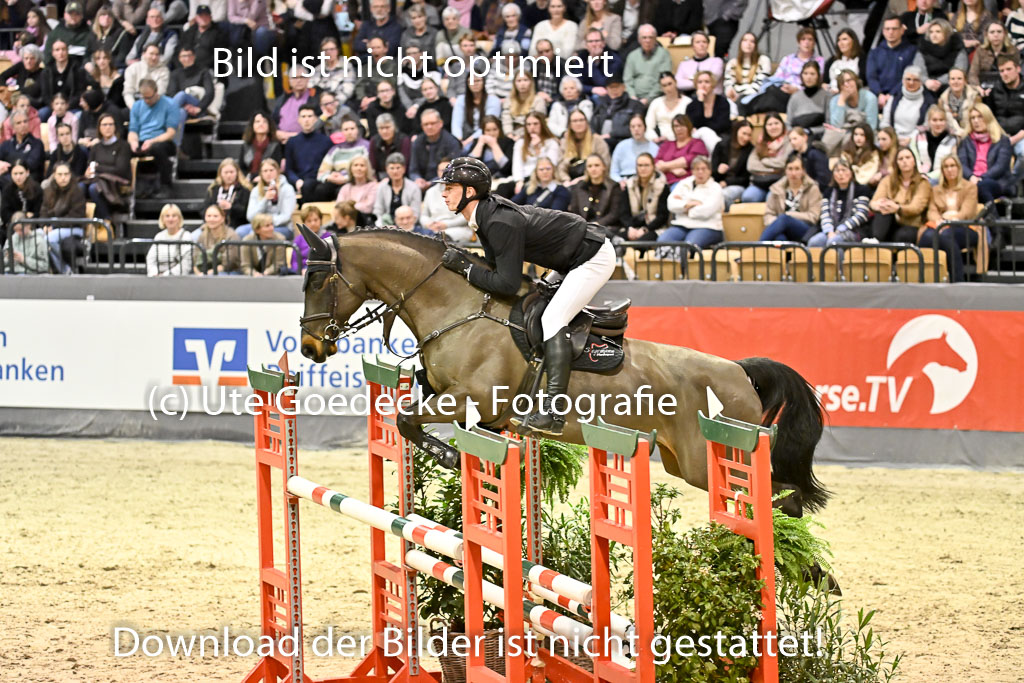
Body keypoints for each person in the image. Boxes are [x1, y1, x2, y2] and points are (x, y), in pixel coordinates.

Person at [436, 157, 616, 438]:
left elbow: (506, 284)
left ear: (469, 192)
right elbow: (496, 269)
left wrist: (466, 268)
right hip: (568, 258)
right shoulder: (482, 215)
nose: (443, 193)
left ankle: (554, 412)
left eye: (450, 187)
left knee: (553, 318)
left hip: (592, 257)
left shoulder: (497, 220)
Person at [926, 154, 986, 281]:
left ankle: (957, 280)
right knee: (926, 237)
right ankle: (928, 281)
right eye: (946, 166)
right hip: (940, 226)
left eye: (952, 166)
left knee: (946, 236)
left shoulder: (970, 187)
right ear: (942, 170)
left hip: (965, 227)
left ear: (959, 168)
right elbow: (932, 211)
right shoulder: (935, 190)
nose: (949, 169)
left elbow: (967, 212)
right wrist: (939, 221)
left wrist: (949, 220)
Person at [869, 146, 932, 243]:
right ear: (896, 163)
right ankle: (875, 242)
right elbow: (873, 202)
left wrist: (897, 208)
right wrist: (879, 205)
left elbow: (916, 208)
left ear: (914, 161)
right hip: (890, 222)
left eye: (908, 157)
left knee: (902, 235)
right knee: (883, 212)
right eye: (900, 159)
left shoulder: (922, 183)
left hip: (912, 224)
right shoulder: (888, 180)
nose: (904, 161)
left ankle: (879, 245)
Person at [659, 155, 724, 248]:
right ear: (692, 171)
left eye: (703, 169)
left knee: (689, 246)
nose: (700, 172)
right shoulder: (683, 184)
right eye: (697, 169)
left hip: (708, 226)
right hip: (681, 224)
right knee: (662, 242)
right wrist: (688, 204)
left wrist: (684, 209)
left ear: (710, 171)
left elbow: (706, 211)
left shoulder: (715, 188)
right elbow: (671, 204)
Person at [759, 154, 823, 242]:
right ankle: (783, 251)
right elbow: (768, 215)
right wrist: (777, 221)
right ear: (785, 170)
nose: (793, 173)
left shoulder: (812, 188)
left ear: (803, 171)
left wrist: (790, 215)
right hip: (781, 227)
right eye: (790, 169)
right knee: (780, 237)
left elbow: (813, 216)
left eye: (797, 169)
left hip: (805, 229)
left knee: (784, 219)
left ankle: (758, 245)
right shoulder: (777, 188)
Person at [958, 102, 1014, 202]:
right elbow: (961, 164)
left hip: (996, 181)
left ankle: (991, 211)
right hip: (970, 180)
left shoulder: (1002, 140)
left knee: (982, 186)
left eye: (980, 117)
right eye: (972, 118)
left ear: (988, 118)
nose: (976, 121)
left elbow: (1000, 166)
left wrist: (982, 178)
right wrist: (971, 177)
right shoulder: (965, 140)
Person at [808, 160, 871, 247]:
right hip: (831, 230)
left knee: (833, 242)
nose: (840, 174)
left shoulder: (861, 190)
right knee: (814, 242)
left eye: (844, 170)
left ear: (851, 173)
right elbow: (825, 214)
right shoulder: (828, 192)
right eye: (837, 171)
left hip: (853, 231)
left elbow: (861, 214)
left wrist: (841, 229)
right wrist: (829, 231)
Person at [41, 162, 88, 273]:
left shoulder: (77, 191)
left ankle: (64, 270)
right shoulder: (48, 190)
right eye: (60, 174)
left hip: (73, 228)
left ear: (70, 175)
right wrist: (44, 225)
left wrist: (54, 225)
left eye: (66, 174)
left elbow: (76, 216)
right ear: (54, 175)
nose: (63, 178)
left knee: (49, 239)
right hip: (53, 227)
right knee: (37, 236)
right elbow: (43, 211)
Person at [283, 105, 334, 199]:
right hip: (299, 182)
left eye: (310, 116)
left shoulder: (326, 141)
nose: (306, 120)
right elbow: (289, 169)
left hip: (320, 181)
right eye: (303, 116)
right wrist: (296, 181)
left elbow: (331, 165)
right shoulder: (292, 142)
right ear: (298, 120)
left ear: (316, 119)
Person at [867, 15, 918, 108]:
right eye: (887, 29)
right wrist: (879, 95)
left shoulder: (912, 51)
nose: (890, 32)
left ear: (902, 30)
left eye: (894, 29)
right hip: (877, 96)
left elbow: (908, 76)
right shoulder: (874, 52)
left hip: (903, 96)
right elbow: (871, 77)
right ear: (883, 31)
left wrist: (892, 95)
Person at [568, 154, 624, 236]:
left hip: (606, 228)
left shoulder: (613, 186)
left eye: (597, 165)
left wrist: (597, 224)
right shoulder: (579, 186)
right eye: (590, 166)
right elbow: (574, 209)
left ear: (604, 167)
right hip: (583, 227)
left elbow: (614, 214)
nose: (593, 169)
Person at [409, 108, 463, 192]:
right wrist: (417, 179)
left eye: (432, 123)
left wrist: (431, 183)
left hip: (445, 186)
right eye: (426, 124)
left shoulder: (452, 142)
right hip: (420, 186)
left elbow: (452, 171)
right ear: (422, 126)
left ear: (440, 123)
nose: (429, 127)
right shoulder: (418, 142)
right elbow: (413, 169)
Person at [242, 159, 297, 239]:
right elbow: (250, 216)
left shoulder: (287, 189)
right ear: (261, 173)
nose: (268, 173)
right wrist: (265, 199)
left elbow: (286, 216)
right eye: (265, 171)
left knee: (256, 234)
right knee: (240, 231)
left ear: (277, 171)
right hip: (259, 225)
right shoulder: (255, 190)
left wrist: (267, 223)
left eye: (271, 170)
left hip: (282, 226)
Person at [882, 66, 937, 146]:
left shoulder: (929, 102)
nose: (911, 83)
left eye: (915, 80)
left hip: (916, 141)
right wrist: (893, 138)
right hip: (893, 140)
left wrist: (911, 138)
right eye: (908, 79)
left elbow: (926, 126)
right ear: (903, 81)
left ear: (921, 82)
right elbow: (885, 122)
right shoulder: (894, 98)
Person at [620, 152, 669, 241]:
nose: (643, 168)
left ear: (653, 166)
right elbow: (623, 212)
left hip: (654, 227)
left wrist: (646, 229)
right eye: (640, 165)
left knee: (641, 243)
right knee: (616, 240)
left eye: (646, 165)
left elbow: (663, 216)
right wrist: (630, 227)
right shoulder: (629, 184)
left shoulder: (662, 186)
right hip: (633, 226)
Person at [742, 112, 789, 202]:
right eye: (769, 124)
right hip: (759, 182)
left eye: (776, 123)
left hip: (780, 182)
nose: (773, 127)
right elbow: (751, 166)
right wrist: (774, 170)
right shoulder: (760, 142)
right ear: (765, 127)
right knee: (748, 197)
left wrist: (764, 161)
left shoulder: (788, 142)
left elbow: (783, 163)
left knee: (772, 199)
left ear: (782, 125)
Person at [422, 158, 472, 240]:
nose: (444, 174)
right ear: (437, 172)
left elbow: (467, 216)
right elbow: (424, 215)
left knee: (441, 237)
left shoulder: (463, 191)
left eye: (447, 171)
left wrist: (446, 224)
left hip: (457, 229)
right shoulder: (430, 192)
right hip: (433, 229)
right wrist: (429, 224)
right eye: (441, 171)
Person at [591, 75, 645, 151]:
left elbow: (638, 126)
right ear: (607, 89)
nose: (614, 90)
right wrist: (595, 135)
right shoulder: (601, 105)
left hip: (624, 142)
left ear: (623, 87)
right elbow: (592, 123)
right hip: (600, 142)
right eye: (611, 87)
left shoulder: (635, 105)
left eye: (617, 86)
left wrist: (611, 134)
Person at [985, 55, 1024, 159]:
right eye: (1001, 71)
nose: (1005, 74)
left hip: (1021, 136)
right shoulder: (995, 90)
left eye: (1008, 69)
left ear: (1018, 69)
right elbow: (989, 117)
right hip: (998, 135)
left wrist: (1014, 139)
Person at [914, 19, 967, 95]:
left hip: (951, 84)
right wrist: (927, 81)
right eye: (931, 32)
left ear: (947, 33)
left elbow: (960, 70)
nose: (934, 35)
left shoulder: (957, 47)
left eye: (938, 32)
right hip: (927, 85)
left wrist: (939, 82)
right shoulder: (923, 48)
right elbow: (918, 69)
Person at [558, 109, 610, 183]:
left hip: (593, 181)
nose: (578, 123)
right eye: (575, 121)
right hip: (569, 182)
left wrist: (582, 180)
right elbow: (560, 167)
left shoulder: (598, 141)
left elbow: (605, 164)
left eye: (581, 120)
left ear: (586, 122)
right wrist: (566, 180)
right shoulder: (564, 143)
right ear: (570, 125)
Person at [653, 114, 707, 185]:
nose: (679, 129)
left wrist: (665, 166)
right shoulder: (667, 145)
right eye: (676, 126)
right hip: (663, 182)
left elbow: (691, 160)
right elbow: (656, 163)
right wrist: (672, 169)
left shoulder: (697, 143)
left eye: (682, 125)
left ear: (688, 126)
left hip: (686, 182)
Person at [623, 25, 671, 104]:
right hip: (634, 99)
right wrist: (632, 97)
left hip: (657, 98)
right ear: (639, 40)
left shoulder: (663, 54)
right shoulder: (632, 56)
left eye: (650, 37)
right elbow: (627, 80)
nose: (647, 40)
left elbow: (664, 79)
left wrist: (648, 99)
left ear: (655, 39)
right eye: (644, 38)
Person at [725, 32, 771, 113]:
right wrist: (732, 92)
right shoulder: (732, 63)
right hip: (734, 99)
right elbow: (728, 85)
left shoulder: (763, 60)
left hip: (755, 98)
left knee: (742, 103)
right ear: (740, 44)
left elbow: (758, 86)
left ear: (756, 45)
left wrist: (738, 93)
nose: (748, 44)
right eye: (745, 40)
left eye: (752, 41)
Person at [711, 119, 752, 209]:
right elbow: (712, 171)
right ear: (736, 131)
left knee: (724, 195)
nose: (746, 138)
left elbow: (746, 178)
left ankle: (726, 216)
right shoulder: (721, 145)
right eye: (744, 133)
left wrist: (727, 182)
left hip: (737, 185)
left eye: (749, 135)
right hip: (717, 183)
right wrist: (719, 172)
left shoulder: (750, 150)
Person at [912, 105, 958, 184]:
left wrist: (928, 176)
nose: (938, 123)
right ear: (929, 121)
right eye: (934, 120)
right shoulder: (918, 136)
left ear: (946, 121)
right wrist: (920, 174)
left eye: (941, 120)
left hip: (942, 178)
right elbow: (915, 158)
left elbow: (950, 164)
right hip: (919, 175)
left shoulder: (953, 140)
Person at [373, 152, 421, 225]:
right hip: (386, 225)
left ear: (404, 169)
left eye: (398, 168)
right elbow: (378, 210)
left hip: (407, 224)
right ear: (387, 169)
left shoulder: (414, 188)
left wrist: (405, 224)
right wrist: (382, 224)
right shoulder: (382, 187)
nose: (395, 171)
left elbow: (415, 213)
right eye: (392, 168)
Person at [971, 23, 1021, 93]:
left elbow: (1018, 72)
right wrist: (979, 89)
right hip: (984, 85)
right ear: (986, 35)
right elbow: (973, 73)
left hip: (1007, 86)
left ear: (1004, 34)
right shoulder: (980, 50)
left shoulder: (1013, 50)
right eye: (992, 32)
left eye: (999, 32)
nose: (996, 35)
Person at [0, 111, 45, 187]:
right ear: (13, 127)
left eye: (25, 121)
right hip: (8, 181)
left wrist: (7, 166)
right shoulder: (6, 144)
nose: (23, 125)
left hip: (30, 181)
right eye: (19, 123)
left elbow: (31, 164)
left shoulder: (37, 144)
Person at [147, 203, 194, 276]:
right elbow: (150, 259)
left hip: (177, 277)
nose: (170, 219)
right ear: (162, 219)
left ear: (179, 218)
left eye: (174, 216)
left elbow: (186, 264)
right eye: (167, 216)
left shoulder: (186, 236)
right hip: (157, 277)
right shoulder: (159, 236)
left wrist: (166, 275)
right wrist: (154, 273)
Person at [0, 160, 42, 242]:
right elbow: (5, 212)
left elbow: (39, 211)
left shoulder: (36, 189)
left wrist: (27, 218)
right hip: (12, 225)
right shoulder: (7, 190)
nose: (18, 177)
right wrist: (17, 218)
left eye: (21, 173)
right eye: (15, 174)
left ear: (27, 172)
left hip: (33, 226)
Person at [193, 203, 241, 274]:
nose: (211, 219)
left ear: (223, 218)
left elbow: (229, 263)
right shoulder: (202, 235)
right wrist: (198, 274)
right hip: (205, 272)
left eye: (215, 216)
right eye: (209, 216)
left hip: (228, 271)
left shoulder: (231, 235)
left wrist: (208, 273)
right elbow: (195, 258)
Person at [452, 76, 502, 144]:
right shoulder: (461, 99)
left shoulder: (494, 100)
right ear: (467, 83)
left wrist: (467, 142)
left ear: (484, 82)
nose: (475, 84)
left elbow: (489, 124)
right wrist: (458, 142)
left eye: (478, 80)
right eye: (471, 81)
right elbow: (456, 124)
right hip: (464, 137)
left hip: (486, 137)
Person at [674, 32, 723, 99]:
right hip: (688, 99)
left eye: (704, 42)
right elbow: (677, 83)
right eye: (698, 42)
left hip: (712, 99)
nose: (701, 45)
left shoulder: (716, 61)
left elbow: (712, 79)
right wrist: (702, 82)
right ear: (692, 46)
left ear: (708, 45)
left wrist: (689, 81)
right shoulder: (684, 64)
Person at [610, 113, 657, 182]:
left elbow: (657, 171)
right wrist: (620, 181)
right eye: (633, 126)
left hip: (647, 182)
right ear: (630, 129)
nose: (636, 129)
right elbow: (613, 172)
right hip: (625, 181)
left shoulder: (654, 148)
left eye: (639, 126)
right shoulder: (621, 146)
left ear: (645, 127)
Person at [205, 158, 251, 228]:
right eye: (226, 172)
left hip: (237, 225)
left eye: (231, 172)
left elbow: (246, 213)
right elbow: (204, 209)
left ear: (237, 173)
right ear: (220, 173)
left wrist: (231, 207)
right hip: (213, 225)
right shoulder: (213, 189)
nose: (229, 175)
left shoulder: (245, 189)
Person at [644, 72, 690, 143]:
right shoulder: (656, 103)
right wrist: (654, 138)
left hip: (682, 139)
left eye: (670, 84)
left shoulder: (687, 102)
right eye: (664, 85)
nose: (668, 88)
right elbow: (648, 126)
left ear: (675, 82)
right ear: (661, 88)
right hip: (660, 141)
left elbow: (690, 126)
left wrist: (669, 137)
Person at [785, 61, 828, 136]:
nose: (808, 77)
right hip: (796, 136)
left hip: (817, 136)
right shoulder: (795, 97)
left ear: (818, 76)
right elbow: (788, 123)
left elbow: (829, 125)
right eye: (805, 73)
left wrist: (810, 131)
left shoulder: (826, 96)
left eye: (812, 74)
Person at [576, 29, 622, 98]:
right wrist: (592, 89)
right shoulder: (581, 58)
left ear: (603, 43)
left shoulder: (613, 59)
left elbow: (604, 84)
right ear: (586, 45)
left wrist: (591, 62)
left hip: (608, 96)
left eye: (597, 41)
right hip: (585, 94)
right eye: (590, 41)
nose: (594, 44)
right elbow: (575, 83)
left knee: (597, 96)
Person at [239, 112, 283, 184]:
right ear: (252, 125)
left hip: (268, 181)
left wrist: (262, 178)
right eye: (257, 121)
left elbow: (276, 167)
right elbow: (242, 167)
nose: (261, 124)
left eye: (264, 121)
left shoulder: (275, 145)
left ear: (269, 126)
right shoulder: (246, 145)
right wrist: (247, 177)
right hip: (248, 180)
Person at [685, 71, 730, 141]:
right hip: (698, 139)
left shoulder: (722, 102)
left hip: (719, 138)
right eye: (700, 82)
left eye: (707, 82)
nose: (703, 85)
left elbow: (722, 125)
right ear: (696, 85)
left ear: (712, 84)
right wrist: (700, 101)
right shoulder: (691, 106)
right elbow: (693, 124)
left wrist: (703, 128)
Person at [467, 115, 515, 179]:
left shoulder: (508, 142)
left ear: (499, 129)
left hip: (501, 178)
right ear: (483, 131)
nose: (492, 133)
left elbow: (507, 169)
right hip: (480, 178)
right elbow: (470, 167)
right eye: (488, 130)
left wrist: (494, 145)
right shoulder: (477, 141)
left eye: (495, 129)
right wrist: (480, 144)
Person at [123, 43, 170, 109]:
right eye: (151, 54)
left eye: (157, 55)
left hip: (155, 104)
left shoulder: (164, 71)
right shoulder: (132, 68)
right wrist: (134, 108)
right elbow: (128, 92)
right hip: (134, 104)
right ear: (143, 54)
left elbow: (160, 92)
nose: (154, 57)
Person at [938, 68, 982, 138]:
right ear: (949, 81)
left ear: (965, 81)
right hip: (951, 136)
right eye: (953, 79)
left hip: (972, 135)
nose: (956, 82)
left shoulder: (975, 97)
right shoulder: (942, 100)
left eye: (959, 78)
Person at [369, 113, 412, 179]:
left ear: (394, 127)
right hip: (380, 179)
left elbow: (405, 165)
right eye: (381, 128)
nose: (384, 131)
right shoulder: (374, 141)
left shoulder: (404, 140)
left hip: (401, 177)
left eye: (387, 127)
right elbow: (372, 167)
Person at [787, 126, 829, 191]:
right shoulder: (792, 156)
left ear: (805, 137)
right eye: (790, 140)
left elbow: (823, 179)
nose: (792, 142)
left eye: (795, 139)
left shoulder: (815, 154)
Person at [291, 205, 330, 273]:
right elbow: (294, 262)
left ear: (320, 220)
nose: (313, 223)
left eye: (316, 220)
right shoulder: (298, 239)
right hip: (303, 271)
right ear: (304, 223)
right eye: (309, 221)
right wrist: (300, 271)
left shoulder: (328, 237)